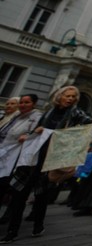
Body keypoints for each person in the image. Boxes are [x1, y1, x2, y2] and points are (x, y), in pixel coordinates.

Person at [2, 86, 92, 243]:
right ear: (60, 96)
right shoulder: (49, 111)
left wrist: (65, 135)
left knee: (41, 196)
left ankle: (38, 225)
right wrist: (35, 132)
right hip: (33, 155)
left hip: (49, 158)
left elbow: (89, 124)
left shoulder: (75, 112)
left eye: (73, 96)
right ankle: (12, 231)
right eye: (67, 96)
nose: (70, 99)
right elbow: (38, 128)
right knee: (19, 194)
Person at [0, 94, 41, 226]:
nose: (23, 105)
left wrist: (28, 136)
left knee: (13, 190)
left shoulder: (36, 117)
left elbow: (35, 134)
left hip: (19, 158)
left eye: (27, 102)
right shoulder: (16, 116)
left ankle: (11, 220)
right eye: (21, 102)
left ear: (33, 104)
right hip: (5, 153)